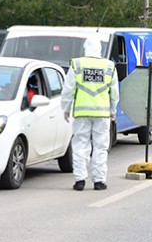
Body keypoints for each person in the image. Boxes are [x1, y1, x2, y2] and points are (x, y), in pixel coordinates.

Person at [61, 37, 119, 191]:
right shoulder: (109, 66)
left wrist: (66, 109)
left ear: (85, 48)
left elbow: (68, 89)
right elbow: (114, 93)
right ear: (100, 49)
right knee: (100, 147)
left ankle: (80, 180)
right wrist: (113, 111)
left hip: (82, 112)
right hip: (102, 113)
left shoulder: (77, 64)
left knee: (80, 146)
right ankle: (99, 181)